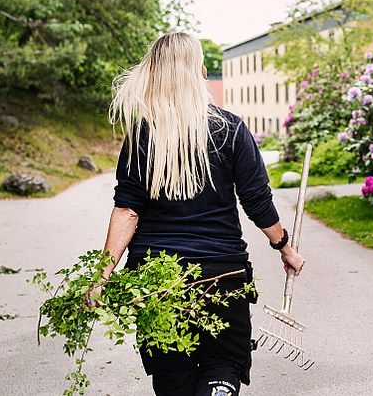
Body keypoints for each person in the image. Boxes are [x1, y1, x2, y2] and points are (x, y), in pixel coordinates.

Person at [94, 32, 305, 396]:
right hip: (222, 275)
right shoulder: (231, 129)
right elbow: (257, 201)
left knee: (172, 375)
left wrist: (103, 274)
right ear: (198, 71)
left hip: (156, 280)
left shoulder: (142, 135)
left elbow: (127, 209)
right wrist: (284, 247)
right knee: (222, 365)